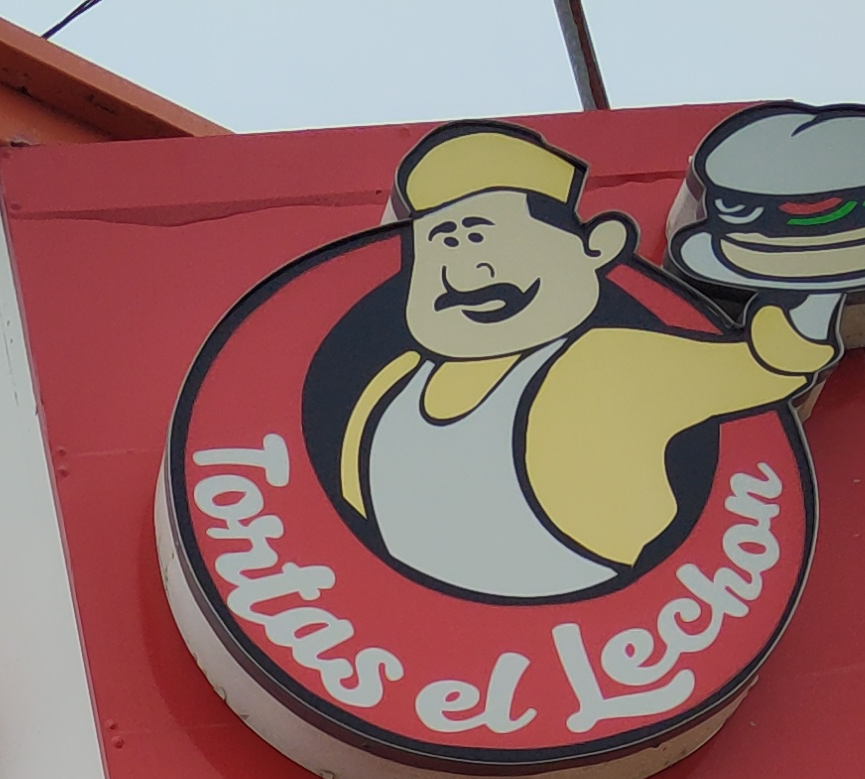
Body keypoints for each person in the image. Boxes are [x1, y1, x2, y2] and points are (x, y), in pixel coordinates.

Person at [315, 121, 837, 602]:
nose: (464, 272)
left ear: (597, 248)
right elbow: (351, 520)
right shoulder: (394, 382)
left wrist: (820, 280)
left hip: (586, 647)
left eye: (482, 235)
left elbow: (763, 367)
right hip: (410, 637)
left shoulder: (612, 361)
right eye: (442, 244)